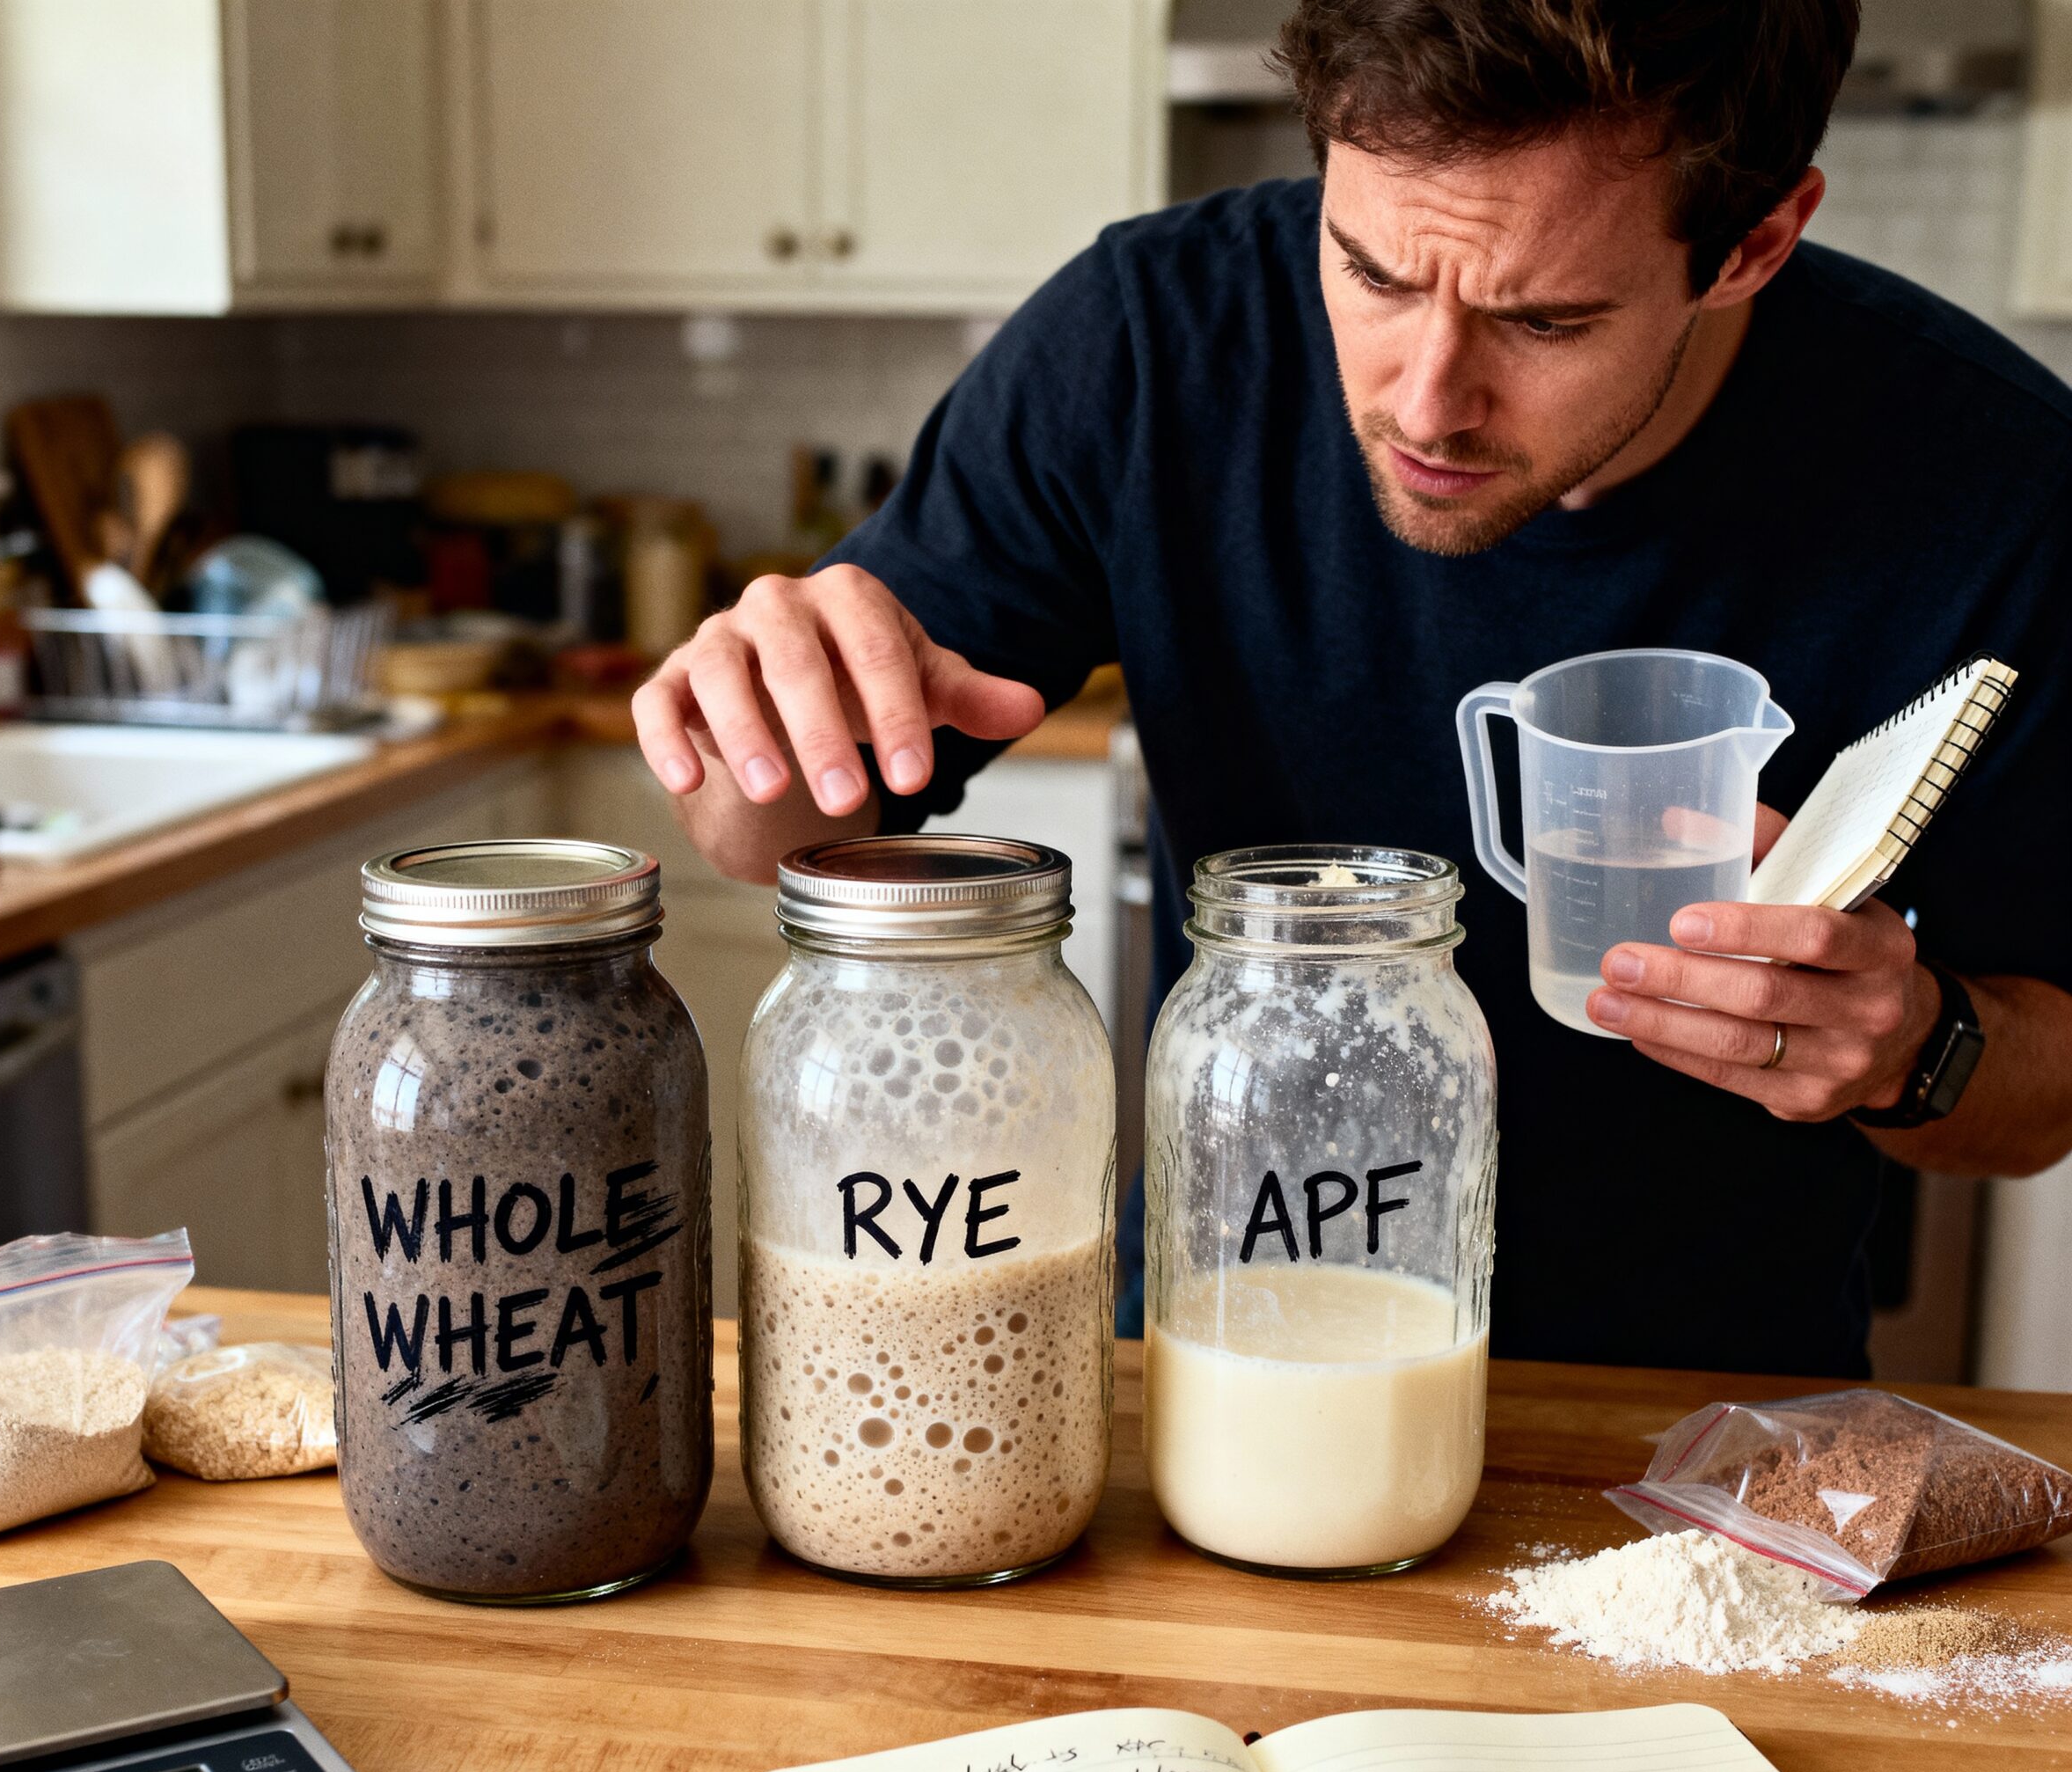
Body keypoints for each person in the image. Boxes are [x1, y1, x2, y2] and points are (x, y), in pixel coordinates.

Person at [633, 0, 2072, 1375]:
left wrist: (1912, 1046)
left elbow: (2038, 1101)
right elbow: (763, 842)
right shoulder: (1146, 349)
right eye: (1373, 273)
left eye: (1546, 321)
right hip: (1216, 1357)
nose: (1424, 398)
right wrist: (750, 731)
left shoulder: (1995, 487)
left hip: (1703, 1426)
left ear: (1754, 244)